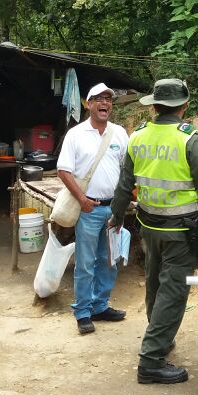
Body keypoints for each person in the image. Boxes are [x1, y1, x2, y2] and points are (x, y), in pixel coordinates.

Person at [110, 79, 198, 385]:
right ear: (184, 105)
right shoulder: (189, 139)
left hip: (148, 226)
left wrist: (116, 216)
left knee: (154, 281)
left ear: (153, 105)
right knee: (174, 289)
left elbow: (125, 184)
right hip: (180, 230)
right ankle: (150, 361)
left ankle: (159, 336)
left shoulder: (137, 137)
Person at [57, 83, 129, 335]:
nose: (104, 103)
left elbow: (126, 170)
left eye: (108, 99)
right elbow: (63, 170)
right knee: (86, 262)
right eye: (98, 99)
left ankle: (100, 305)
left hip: (113, 209)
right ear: (88, 104)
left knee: (109, 260)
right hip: (87, 209)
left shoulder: (119, 133)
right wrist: (82, 199)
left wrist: (125, 202)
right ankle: (83, 312)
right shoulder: (76, 134)